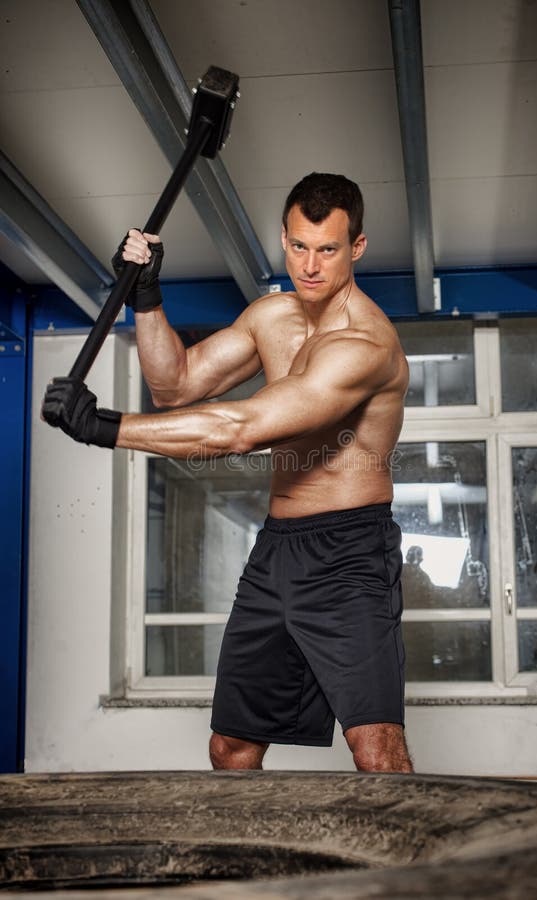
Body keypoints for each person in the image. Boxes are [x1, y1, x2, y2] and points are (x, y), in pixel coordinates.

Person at [42, 172, 412, 773]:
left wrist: (106, 427)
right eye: (298, 246)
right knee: (231, 748)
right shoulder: (271, 317)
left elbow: (241, 429)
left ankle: (413, 872)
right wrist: (146, 297)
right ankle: (253, 871)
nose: (310, 265)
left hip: (349, 554)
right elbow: (175, 384)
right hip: (277, 549)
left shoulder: (364, 345)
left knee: (376, 750)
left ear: (357, 248)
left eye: (328, 249)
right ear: (283, 240)